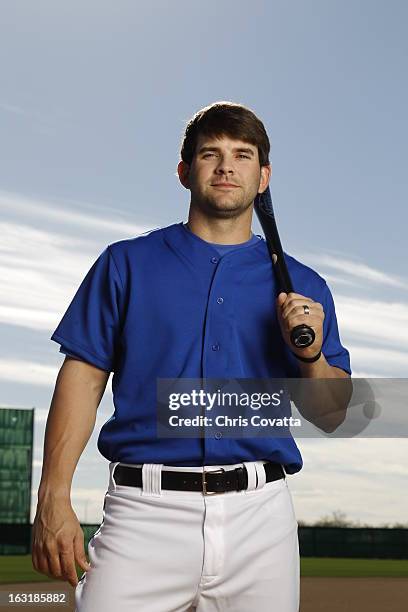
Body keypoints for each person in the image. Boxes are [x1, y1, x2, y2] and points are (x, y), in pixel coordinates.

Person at [32, 101, 351, 612]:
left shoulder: (304, 288)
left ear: (264, 176)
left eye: (242, 155)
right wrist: (53, 494)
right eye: (211, 153)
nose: (227, 166)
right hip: (143, 513)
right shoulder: (126, 263)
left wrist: (308, 353)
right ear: (184, 172)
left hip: (260, 517)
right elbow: (82, 379)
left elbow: (333, 414)